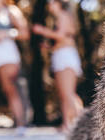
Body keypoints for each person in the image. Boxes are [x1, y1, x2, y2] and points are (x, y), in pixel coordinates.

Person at [33, 0, 83, 132]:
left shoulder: (63, 15)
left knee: (68, 93)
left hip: (66, 57)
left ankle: (79, 123)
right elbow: (62, 39)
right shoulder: (60, 18)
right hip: (61, 56)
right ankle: (67, 123)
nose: (49, 5)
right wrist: (49, 47)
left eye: (51, 2)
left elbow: (61, 36)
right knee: (64, 93)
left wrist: (41, 30)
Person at [0, 0, 29, 131]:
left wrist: (6, 33)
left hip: (7, 54)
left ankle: (20, 125)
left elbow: (25, 33)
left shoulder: (11, 10)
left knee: (10, 88)